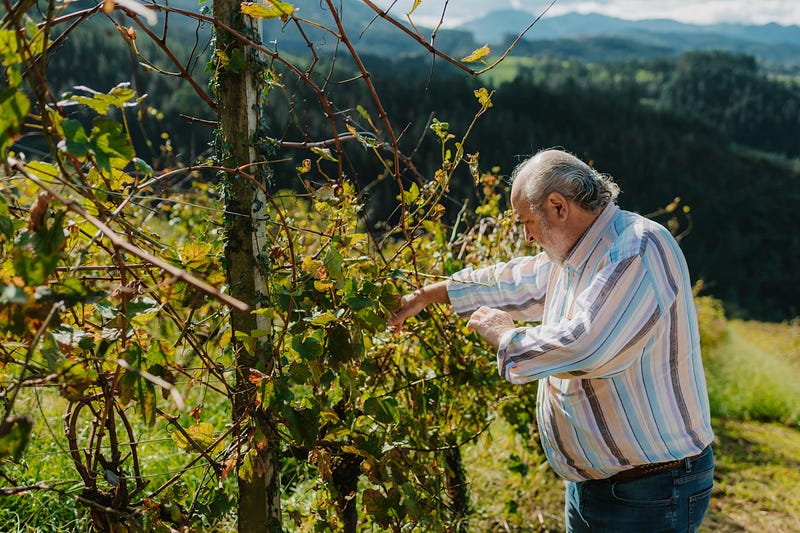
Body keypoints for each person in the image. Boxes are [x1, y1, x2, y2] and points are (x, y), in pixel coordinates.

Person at [389, 149, 715, 532]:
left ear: (559, 206)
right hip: (602, 486)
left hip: (650, 491)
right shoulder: (576, 255)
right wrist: (428, 295)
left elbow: (588, 346)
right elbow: (516, 281)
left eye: (527, 222)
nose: (526, 236)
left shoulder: (637, 248)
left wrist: (507, 337)